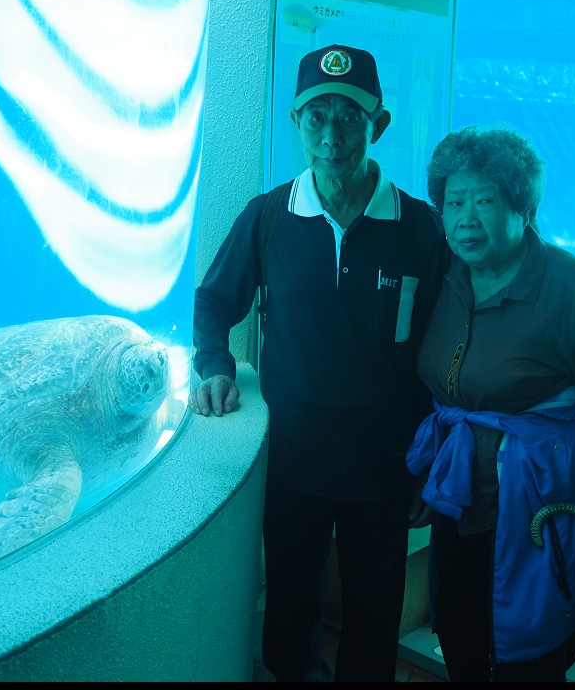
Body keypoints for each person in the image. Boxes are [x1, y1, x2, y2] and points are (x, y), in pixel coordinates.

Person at [190, 44, 446, 682]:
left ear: (377, 124)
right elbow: (214, 301)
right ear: (297, 122)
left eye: (350, 118)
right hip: (294, 460)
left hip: (387, 466)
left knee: (374, 611)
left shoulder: (420, 228)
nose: (332, 136)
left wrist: (434, 456)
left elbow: (443, 351)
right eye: (317, 117)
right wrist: (215, 364)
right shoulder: (271, 218)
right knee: (291, 606)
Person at [406, 123, 575, 682]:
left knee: (534, 657)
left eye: (485, 200)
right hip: (463, 507)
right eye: (454, 202)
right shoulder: (448, 274)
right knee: (460, 636)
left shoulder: (572, 291)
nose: (466, 218)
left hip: (542, 512)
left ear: (522, 207)